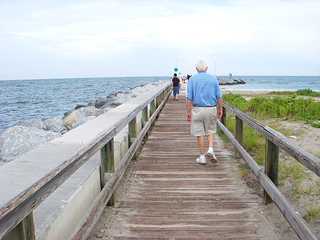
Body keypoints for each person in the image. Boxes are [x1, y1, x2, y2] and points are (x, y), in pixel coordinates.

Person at [186, 60, 223, 165]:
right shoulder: (213, 78)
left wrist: (187, 111)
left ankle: (202, 157)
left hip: (197, 109)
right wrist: (220, 108)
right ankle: (210, 149)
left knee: (199, 133)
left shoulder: (192, 79)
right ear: (206, 68)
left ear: (196, 69)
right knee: (211, 130)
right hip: (211, 108)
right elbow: (218, 96)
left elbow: (189, 97)